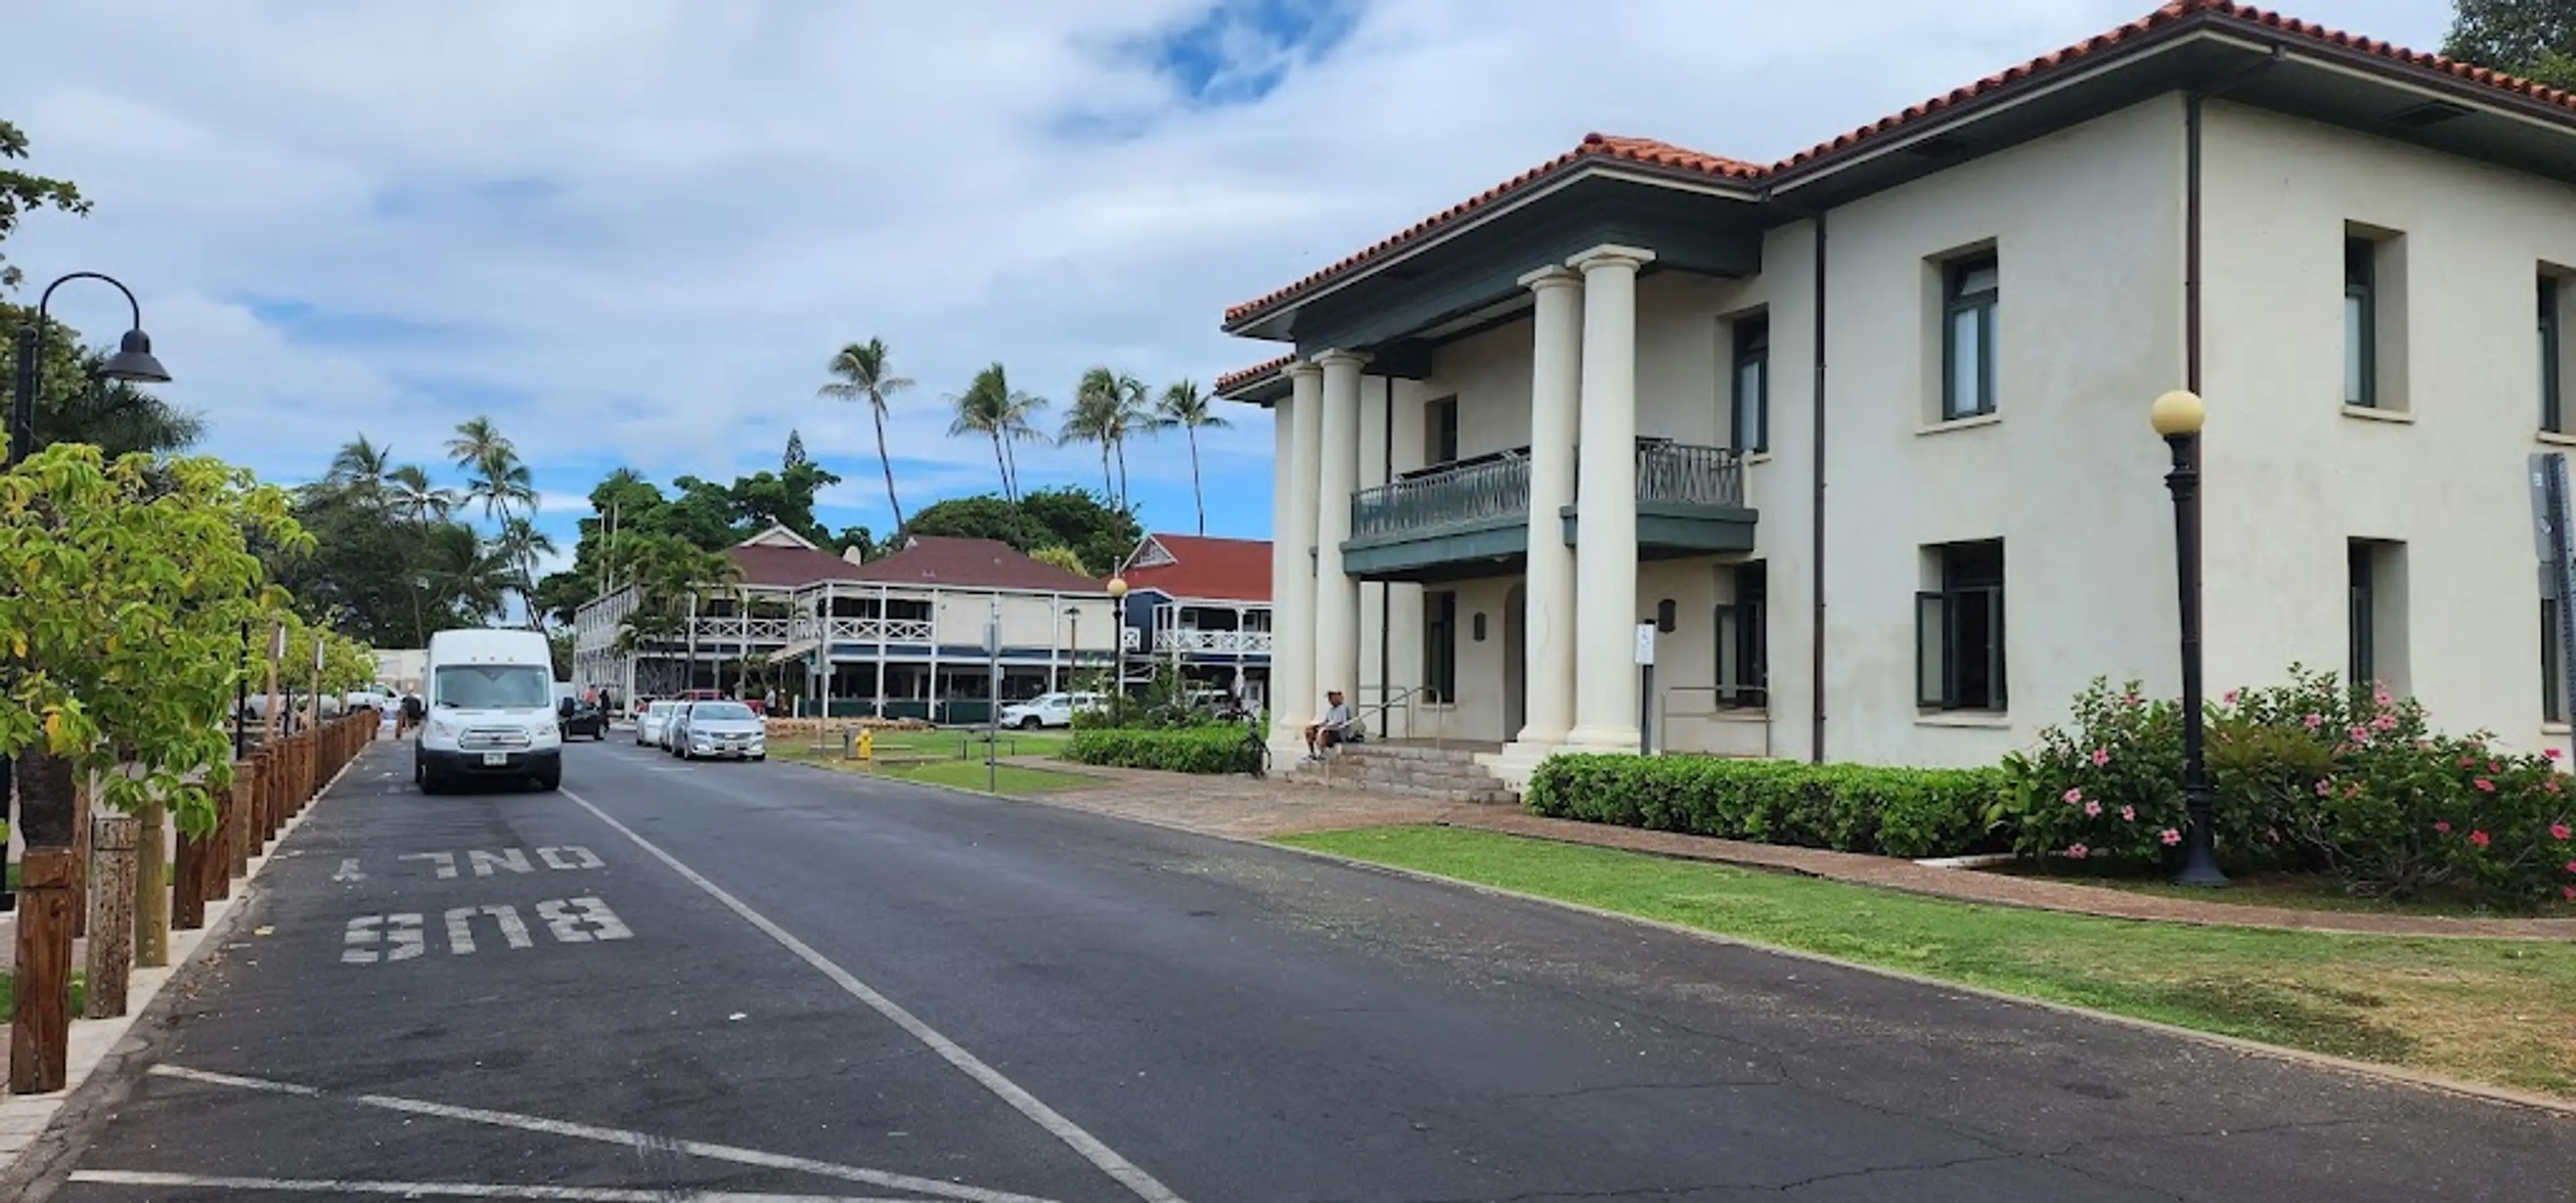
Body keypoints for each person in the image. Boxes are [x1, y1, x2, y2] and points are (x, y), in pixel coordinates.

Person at [1303, 689, 1354, 762]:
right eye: (1329, 698)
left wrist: (1325, 727)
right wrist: (1316, 726)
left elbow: (1339, 723)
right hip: (1330, 728)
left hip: (1339, 732)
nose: (1330, 700)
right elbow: (1326, 721)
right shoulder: (1331, 710)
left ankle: (1323, 753)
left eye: (1332, 697)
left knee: (1323, 732)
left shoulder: (1343, 708)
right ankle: (1312, 753)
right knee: (1310, 731)